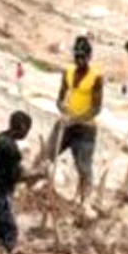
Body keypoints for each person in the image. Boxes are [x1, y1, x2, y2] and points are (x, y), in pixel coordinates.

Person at [37, 35, 103, 205]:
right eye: (77, 56)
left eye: (83, 56)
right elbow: (60, 99)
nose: (80, 60)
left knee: (84, 167)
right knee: (46, 154)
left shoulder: (96, 77)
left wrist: (77, 119)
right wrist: (63, 109)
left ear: (89, 57)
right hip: (66, 123)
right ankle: (35, 186)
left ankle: (85, 202)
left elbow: (96, 108)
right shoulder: (68, 72)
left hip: (86, 129)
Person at [0, 111, 44, 254]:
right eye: (27, 129)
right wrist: (39, 174)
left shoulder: (0, 137)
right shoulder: (11, 148)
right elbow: (17, 176)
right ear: (22, 127)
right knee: (10, 230)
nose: (27, 133)